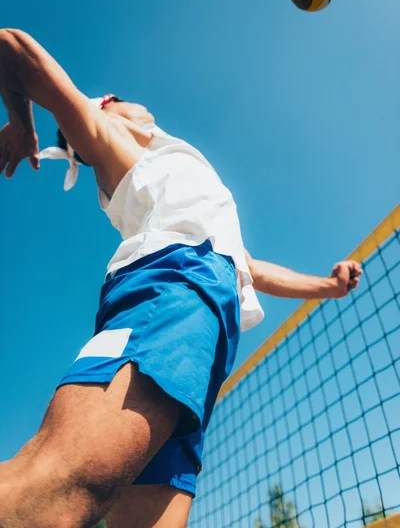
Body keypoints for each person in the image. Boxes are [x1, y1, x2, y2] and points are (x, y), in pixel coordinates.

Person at [0, 29, 362, 528]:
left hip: (207, 314)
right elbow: (10, 46)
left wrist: (329, 285)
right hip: (172, 288)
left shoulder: (179, 170)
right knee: (58, 486)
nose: (134, 103)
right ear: (105, 109)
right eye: (116, 100)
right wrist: (23, 120)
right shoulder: (108, 138)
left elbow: (249, 268)